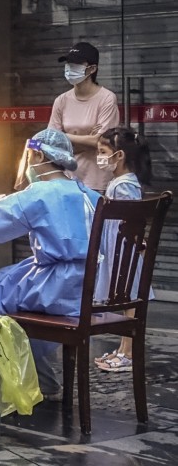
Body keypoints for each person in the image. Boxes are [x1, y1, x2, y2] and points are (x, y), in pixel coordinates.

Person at [0, 129, 100, 399]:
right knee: (7, 285)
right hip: (92, 286)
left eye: (30, 156)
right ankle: (40, 378)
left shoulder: (38, 193)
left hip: (57, 285)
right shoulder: (87, 193)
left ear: (39, 155)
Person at [94, 126, 153, 373]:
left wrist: (137, 244)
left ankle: (128, 353)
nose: (99, 157)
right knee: (127, 300)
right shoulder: (119, 182)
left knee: (129, 302)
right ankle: (122, 350)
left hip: (124, 249)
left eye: (103, 151)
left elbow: (132, 220)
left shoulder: (125, 185)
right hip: (118, 247)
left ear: (119, 156)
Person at [50, 42, 120, 192]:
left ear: (92, 69)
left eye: (76, 64)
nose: (69, 68)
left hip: (97, 182)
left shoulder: (107, 98)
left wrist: (65, 136)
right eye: (68, 63)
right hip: (67, 179)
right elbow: (51, 140)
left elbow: (101, 141)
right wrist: (87, 139)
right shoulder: (61, 100)